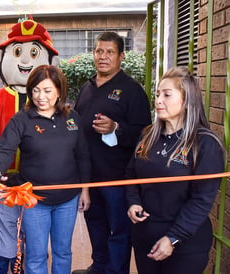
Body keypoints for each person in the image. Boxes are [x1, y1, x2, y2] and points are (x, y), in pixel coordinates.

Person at [0, 65, 91, 274]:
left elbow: (82, 156)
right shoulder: (21, 120)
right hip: (34, 201)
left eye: (47, 91)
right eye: (35, 90)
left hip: (68, 199)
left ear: (59, 91)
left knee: (63, 252)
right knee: (36, 255)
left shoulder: (72, 118)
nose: (40, 97)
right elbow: (5, 149)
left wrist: (85, 190)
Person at [125, 66, 225, 274]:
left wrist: (173, 237)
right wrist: (134, 202)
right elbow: (131, 175)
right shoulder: (148, 136)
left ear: (187, 101)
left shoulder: (205, 144)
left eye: (167, 95)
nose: (158, 100)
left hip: (185, 245)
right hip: (145, 238)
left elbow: (202, 199)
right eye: (157, 94)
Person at [73, 32, 152, 274]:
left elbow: (144, 134)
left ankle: (116, 271)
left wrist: (116, 128)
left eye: (109, 52)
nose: (103, 57)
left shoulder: (132, 90)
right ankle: (98, 267)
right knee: (95, 224)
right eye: (99, 51)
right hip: (89, 175)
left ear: (121, 57)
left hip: (117, 178)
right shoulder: (86, 88)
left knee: (119, 231)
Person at [0, 18, 59, 273]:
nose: (26, 61)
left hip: (34, 179)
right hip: (6, 178)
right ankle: (5, 259)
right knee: (5, 224)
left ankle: (29, 255)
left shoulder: (49, 101)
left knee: (33, 226)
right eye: (18, 52)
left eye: (34, 53)